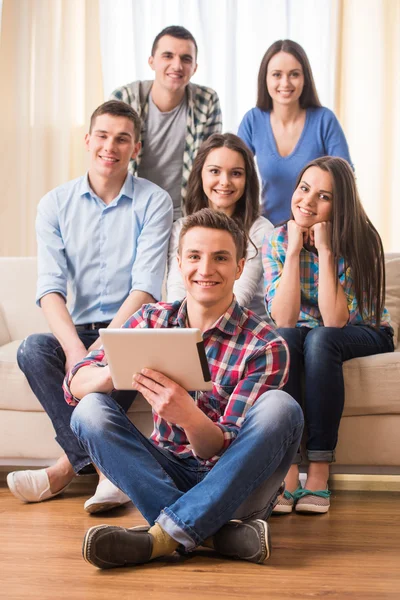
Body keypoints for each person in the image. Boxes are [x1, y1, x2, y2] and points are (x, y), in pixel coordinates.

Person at [64, 209, 304, 569]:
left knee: (282, 408)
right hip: (167, 474)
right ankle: (215, 535)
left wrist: (188, 418)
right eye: (194, 256)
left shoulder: (265, 345)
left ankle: (161, 537)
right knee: (89, 411)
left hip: (237, 485)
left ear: (239, 267)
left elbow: (219, 451)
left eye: (220, 258)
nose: (205, 269)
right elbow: (74, 386)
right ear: (179, 264)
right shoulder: (151, 320)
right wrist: (116, 367)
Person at [7, 100, 173, 513]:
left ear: (136, 148)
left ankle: (63, 471)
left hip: (132, 328)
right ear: (87, 140)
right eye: (102, 136)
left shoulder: (155, 202)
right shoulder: (54, 204)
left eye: (122, 139)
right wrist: (78, 353)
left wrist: (105, 347)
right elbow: (50, 289)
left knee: (123, 357)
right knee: (32, 350)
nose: (110, 147)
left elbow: (146, 289)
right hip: (77, 332)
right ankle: (103, 471)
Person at [263, 156, 394, 514]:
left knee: (321, 339)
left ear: (341, 204)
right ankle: (287, 476)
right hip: (306, 333)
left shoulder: (360, 241)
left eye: (323, 196)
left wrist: (324, 250)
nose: (307, 201)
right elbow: (284, 319)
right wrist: (292, 251)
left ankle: (318, 477)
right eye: (304, 188)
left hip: (365, 331)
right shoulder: (276, 239)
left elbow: (335, 321)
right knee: (285, 341)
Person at [111, 25, 222, 221]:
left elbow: (211, 164)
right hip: (131, 212)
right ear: (152, 61)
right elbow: (109, 158)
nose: (177, 65)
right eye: (168, 56)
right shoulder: (125, 98)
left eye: (186, 59)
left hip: (185, 216)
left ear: (195, 67)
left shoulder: (207, 101)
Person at [238, 39, 353, 226]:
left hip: (317, 229)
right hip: (269, 230)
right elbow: (236, 170)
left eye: (294, 74)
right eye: (277, 74)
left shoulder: (324, 120)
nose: (285, 83)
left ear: (305, 78)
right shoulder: (253, 120)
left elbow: (345, 178)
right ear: (265, 78)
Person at [166, 133, 273, 319]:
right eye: (215, 171)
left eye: (236, 173)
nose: (225, 182)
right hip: (190, 327)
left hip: (244, 332)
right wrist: (181, 333)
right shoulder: (181, 228)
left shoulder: (261, 230)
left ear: (247, 179)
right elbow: (176, 293)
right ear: (200, 173)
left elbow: (239, 296)